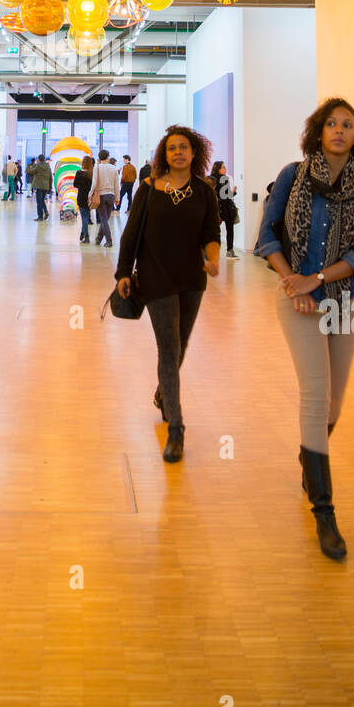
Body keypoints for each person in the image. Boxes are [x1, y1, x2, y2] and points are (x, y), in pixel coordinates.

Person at [258, 98, 354, 562]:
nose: (338, 130)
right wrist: (294, 280)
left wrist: (318, 279)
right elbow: (267, 234)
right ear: (317, 131)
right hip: (297, 300)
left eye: (347, 125)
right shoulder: (293, 174)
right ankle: (325, 511)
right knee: (315, 394)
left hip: (345, 298)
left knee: (334, 400)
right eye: (331, 123)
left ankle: (308, 458)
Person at [115, 126, 220, 463]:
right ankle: (176, 428)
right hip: (155, 278)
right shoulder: (149, 189)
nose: (178, 153)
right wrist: (122, 273)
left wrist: (214, 258)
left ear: (194, 153)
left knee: (181, 347)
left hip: (192, 279)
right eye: (172, 148)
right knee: (169, 348)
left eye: (184, 148)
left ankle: (164, 392)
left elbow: (210, 232)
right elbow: (131, 234)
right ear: (164, 154)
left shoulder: (204, 191)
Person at [210, 160, 238, 258]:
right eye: (223, 167)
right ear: (218, 169)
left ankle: (211, 252)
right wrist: (233, 192)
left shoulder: (212, 179)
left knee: (214, 230)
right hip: (225, 207)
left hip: (217, 207)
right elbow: (225, 195)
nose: (225, 169)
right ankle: (230, 250)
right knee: (229, 229)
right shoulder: (224, 179)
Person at [91, 149, 119, 246]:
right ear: (108, 157)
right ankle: (98, 239)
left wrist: (90, 194)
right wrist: (117, 198)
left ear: (99, 157)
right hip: (111, 196)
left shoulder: (97, 168)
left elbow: (94, 183)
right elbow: (116, 185)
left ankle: (109, 240)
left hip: (101, 196)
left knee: (103, 219)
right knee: (105, 219)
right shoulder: (114, 168)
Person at [72, 155, 94, 243]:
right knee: (86, 216)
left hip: (81, 196)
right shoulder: (92, 173)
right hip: (89, 197)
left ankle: (86, 235)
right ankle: (82, 233)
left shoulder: (79, 173)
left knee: (84, 217)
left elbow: (75, 184)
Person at [28, 154, 52, 219]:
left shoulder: (38, 165)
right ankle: (46, 211)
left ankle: (40, 216)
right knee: (42, 200)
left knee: (39, 201)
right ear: (44, 159)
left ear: (38, 159)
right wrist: (50, 187)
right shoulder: (48, 166)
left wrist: (34, 164)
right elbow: (50, 177)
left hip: (39, 186)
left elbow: (31, 171)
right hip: (46, 186)